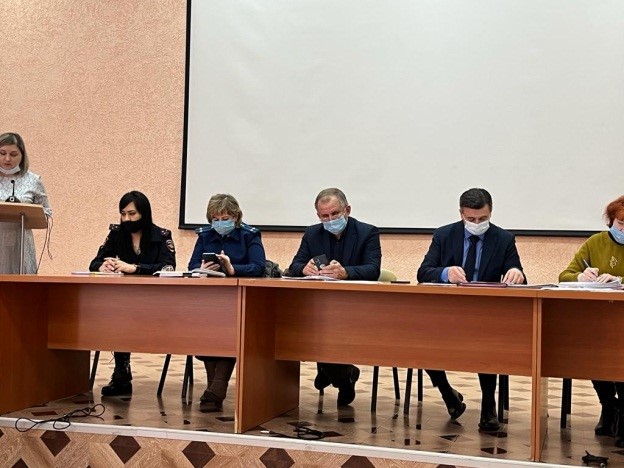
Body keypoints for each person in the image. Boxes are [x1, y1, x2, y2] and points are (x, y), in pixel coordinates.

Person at [417, 188, 526, 431]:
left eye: (482, 218)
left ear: (491, 213)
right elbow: (423, 272)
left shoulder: (503, 239)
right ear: (461, 214)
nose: (477, 224)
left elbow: (518, 274)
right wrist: (445, 273)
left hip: (485, 314)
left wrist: (516, 273)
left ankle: (488, 405)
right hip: (447, 312)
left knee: (487, 342)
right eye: (471, 219)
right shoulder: (444, 235)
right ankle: (448, 394)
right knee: (421, 340)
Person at [288, 188, 381, 406]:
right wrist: (304, 269)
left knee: (325, 330)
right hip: (319, 306)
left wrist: (345, 272)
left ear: (347, 210)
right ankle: (344, 375)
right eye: (324, 216)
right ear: (318, 216)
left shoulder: (367, 232)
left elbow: (373, 269)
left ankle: (330, 370)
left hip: (354, 307)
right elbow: (295, 264)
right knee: (302, 327)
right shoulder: (312, 233)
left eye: (335, 214)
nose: (330, 220)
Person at [89, 191, 176, 396]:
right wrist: (103, 266)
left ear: (144, 214)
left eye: (132, 214)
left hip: (154, 300)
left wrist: (135, 268)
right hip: (124, 300)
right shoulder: (116, 234)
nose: (127, 219)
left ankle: (122, 372)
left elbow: (169, 267)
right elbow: (94, 262)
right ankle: (121, 372)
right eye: (123, 214)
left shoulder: (161, 236)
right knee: (116, 315)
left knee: (122, 314)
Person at [188, 193, 266, 408]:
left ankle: (217, 386)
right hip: (211, 300)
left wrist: (232, 269)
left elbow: (259, 267)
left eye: (225, 219)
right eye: (215, 219)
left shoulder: (249, 235)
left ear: (236, 217)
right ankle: (214, 387)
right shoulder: (205, 236)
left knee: (230, 328)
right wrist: (200, 269)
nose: (220, 223)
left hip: (240, 301)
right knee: (205, 325)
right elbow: (191, 265)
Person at [559, 195, 624, 446]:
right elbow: (565, 274)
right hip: (598, 320)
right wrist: (580, 276)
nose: (623, 230)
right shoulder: (595, 242)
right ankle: (608, 405)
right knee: (592, 351)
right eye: (620, 224)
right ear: (611, 220)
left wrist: (619, 281)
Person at [0, 132, 52, 274]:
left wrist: (32, 214)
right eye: (2, 153)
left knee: (22, 283)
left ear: (22, 155)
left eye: (13, 154)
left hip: (21, 242)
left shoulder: (33, 180)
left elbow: (47, 211)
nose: (7, 159)